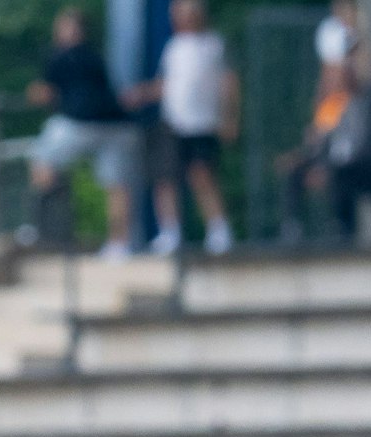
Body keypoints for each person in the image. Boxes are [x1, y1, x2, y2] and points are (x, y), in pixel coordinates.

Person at [23, 7, 142, 258]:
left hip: (79, 123)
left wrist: (35, 93)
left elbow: (44, 93)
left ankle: (45, 224)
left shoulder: (60, 56)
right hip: (118, 125)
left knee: (40, 160)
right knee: (117, 186)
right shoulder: (96, 57)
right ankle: (120, 245)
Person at [126, 0, 237, 255]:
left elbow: (229, 83)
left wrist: (229, 117)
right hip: (173, 122)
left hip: (203, 123)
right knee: (165, 179)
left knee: (202, 176)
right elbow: (166, 84)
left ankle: (218, 229)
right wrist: (141, 94)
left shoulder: (214, 45)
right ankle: (170, 231)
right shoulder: (174, 47)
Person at [277, 54, 371, 247]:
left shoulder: (369, 104)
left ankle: (344, 231)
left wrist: (328, 167)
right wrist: (311, 159)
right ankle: (292, 227)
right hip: (340, 164)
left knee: (338, 175)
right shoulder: (338, 105)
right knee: (297, 170)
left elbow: (361, 145)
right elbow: (329, 142)